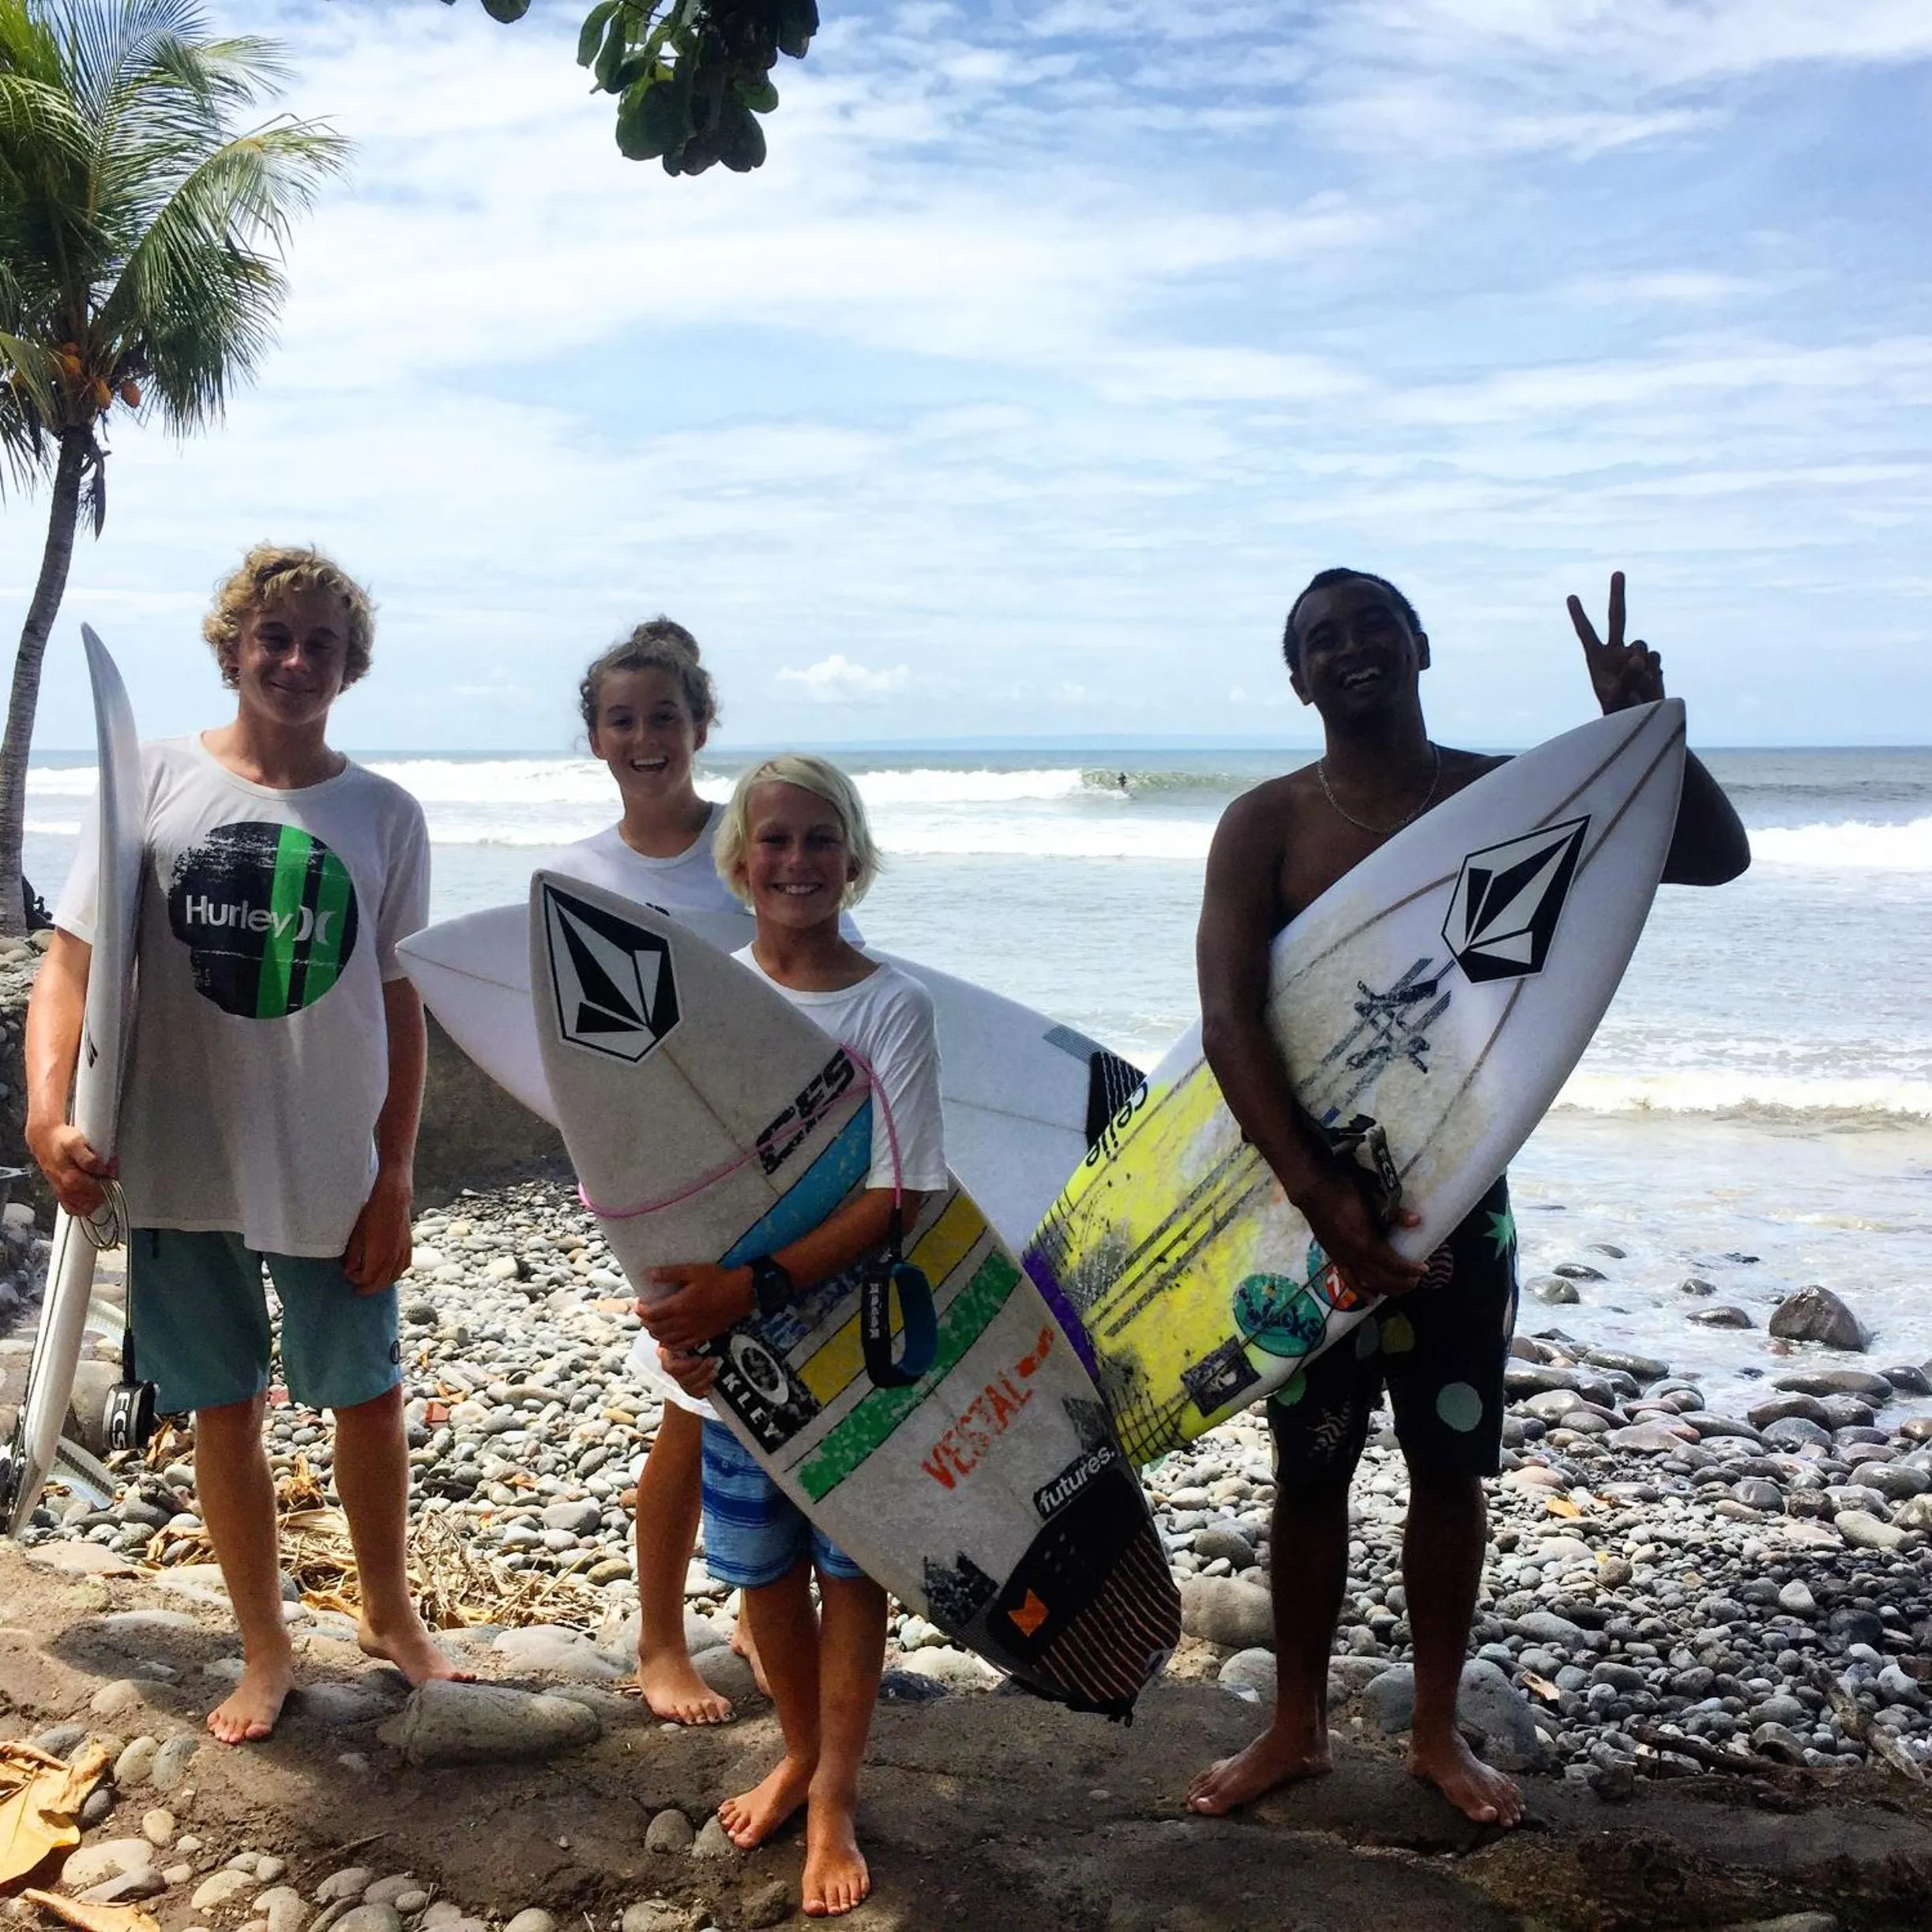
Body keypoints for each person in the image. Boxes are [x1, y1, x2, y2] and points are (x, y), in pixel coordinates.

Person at [1185, 568, 1749, 1826]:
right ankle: (1296, 1725)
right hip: (1304, 1213)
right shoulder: (1265, 824)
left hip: (1460, 1205)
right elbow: (1228, 1023)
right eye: (1320, 639)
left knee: (1447, 1469)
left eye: (1371, 624)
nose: (1350, 649)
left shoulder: (1510, 792)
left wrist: (1637, 732)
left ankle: (1436, 1731)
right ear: (1296, 678)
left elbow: (1711, 856)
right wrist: (1319, 1193)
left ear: (1419, 642)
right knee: (1309, 1468)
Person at [24, 543, 464, 1743]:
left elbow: (401, 1000)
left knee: (365, 1395)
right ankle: (264, 1646)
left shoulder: (385, 814)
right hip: (176, 1153)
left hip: (328, 1159)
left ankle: (388, 1613)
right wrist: (46, 1109)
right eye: (273, 636)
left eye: (321, 642)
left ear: (349, 666)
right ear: (232, 650)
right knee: (226, 1403)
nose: (294, 659)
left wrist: (396, 1170)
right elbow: (70, 962)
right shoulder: (148, 782)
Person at [643, 754, 945, 1919]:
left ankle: (834, 1795)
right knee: (761, 1567)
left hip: (851, 1341)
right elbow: (667, 1185)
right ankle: (800, 1751)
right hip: (732, 1348)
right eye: (772, 840)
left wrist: (743, 1286)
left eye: (819, 840)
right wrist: (677, 1321)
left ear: (853, 859)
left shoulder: (888, 1004)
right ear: (737, 863)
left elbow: (895, 1197)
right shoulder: (708, 1000)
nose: (795, 861)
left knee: (846, 1568)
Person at [538, 617, 756, 1726]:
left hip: (777, 1166)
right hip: (661, 1187)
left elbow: (820, 988)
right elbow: (559, 1045)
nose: (643, 736)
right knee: (692, 1399)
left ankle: (764, 1616)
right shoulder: (573, 876)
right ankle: (663, 1639)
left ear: (700, 726)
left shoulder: (754, 847)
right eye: (620, 719)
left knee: (788, 1394)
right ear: (595, 737)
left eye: (663, 717)